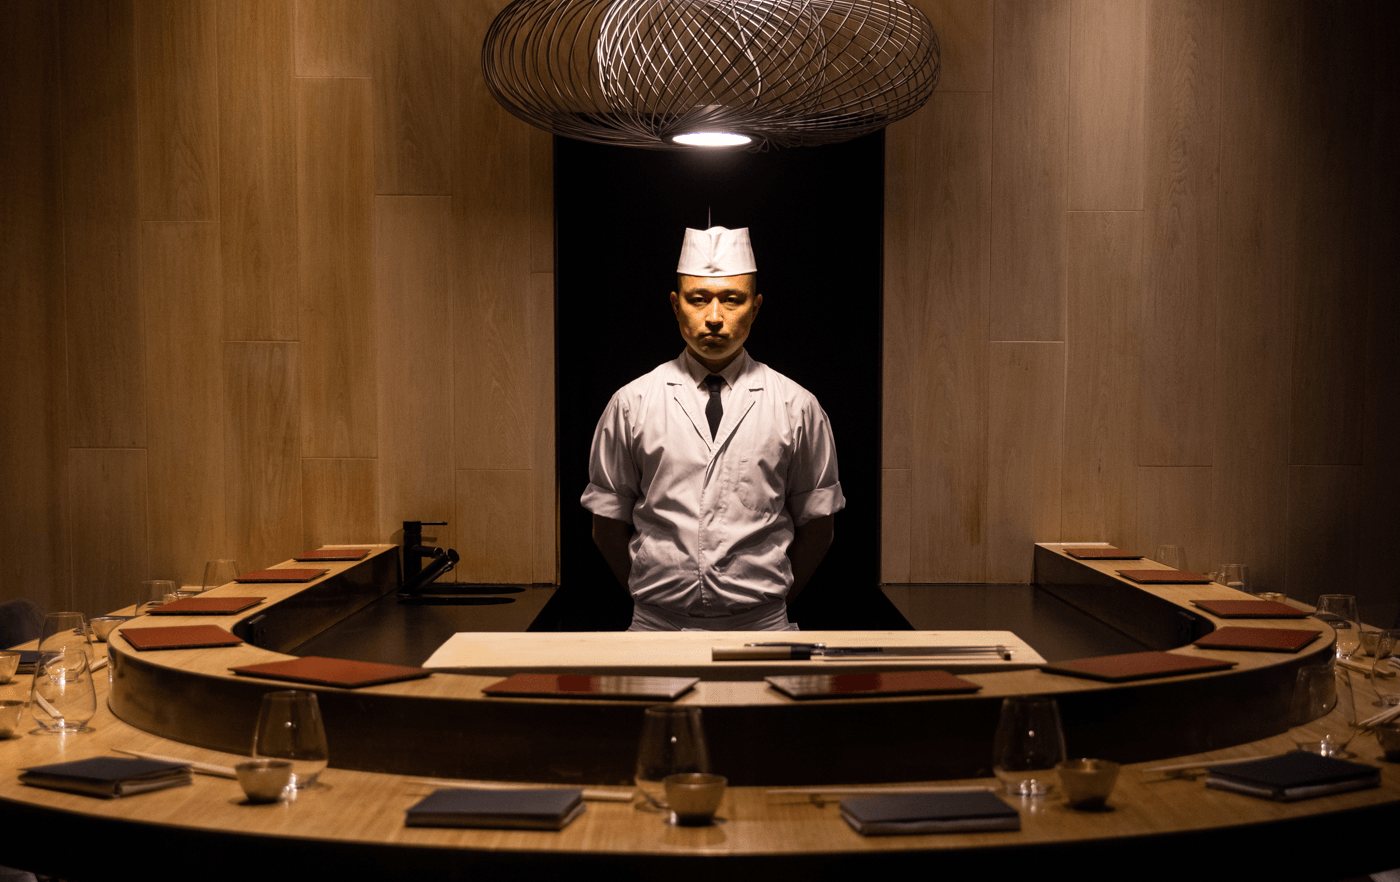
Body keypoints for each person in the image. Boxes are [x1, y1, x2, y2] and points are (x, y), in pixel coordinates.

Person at [580, 226, 844, 631]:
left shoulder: (797, 406)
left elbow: (819, 526)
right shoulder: (632, 403)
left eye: (732, 300)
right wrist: (653, 599)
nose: (715, 317)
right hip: (656, 626)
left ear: (755, 308)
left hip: (762, 626)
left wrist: (765, 608)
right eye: (698, 299)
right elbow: (606, 525)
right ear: (675, 305)